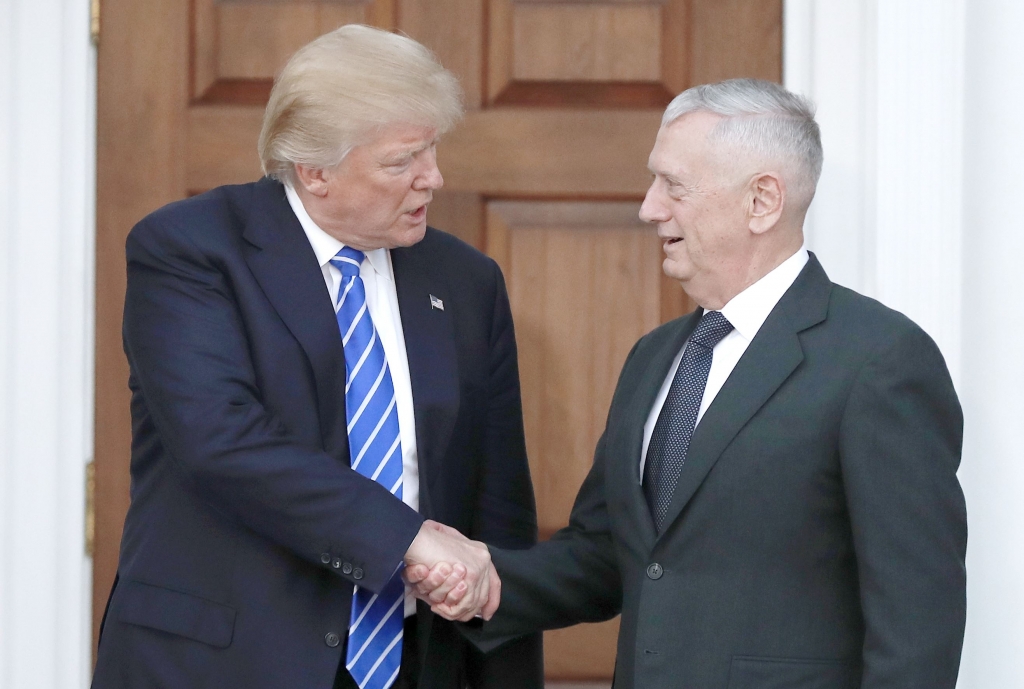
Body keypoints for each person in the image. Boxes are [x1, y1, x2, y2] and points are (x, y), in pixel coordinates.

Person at [410, 78, 968, 689]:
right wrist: (485, 580)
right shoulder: (655, 357)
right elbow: (608, 555)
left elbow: (916, 629)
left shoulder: (880, 360)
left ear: (762, 201)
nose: (649, 207)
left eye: (673, 185)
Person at [91, 25, 541, 689]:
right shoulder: (192, 251)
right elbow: (223, 440)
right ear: (315, 170)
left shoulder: (466, 279)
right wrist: (406, 538)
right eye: (401, 161)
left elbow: (497, 502)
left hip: (417, 660)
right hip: (224, 662)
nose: (433, 177)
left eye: (433, 151)